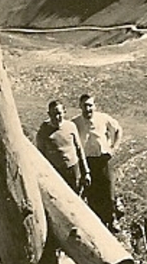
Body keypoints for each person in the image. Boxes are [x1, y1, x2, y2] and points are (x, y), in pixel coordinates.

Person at [73, 93, 123, 232]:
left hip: (103, 159)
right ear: (80, 106)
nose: (87, 109)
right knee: (92, 192)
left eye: (90, 105)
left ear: (94, 106)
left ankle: (112, 219)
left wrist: (114, 148)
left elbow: (118, 130)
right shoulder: (75, 122)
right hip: (87, 161)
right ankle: (97, 224)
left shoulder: (103, 118)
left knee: (108, 189)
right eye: (84, 106)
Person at [35, 100, 90, 194]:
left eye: (59, 113)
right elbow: (40, 155)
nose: (56, 117)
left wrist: (86, 172)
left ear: (64, 112)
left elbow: (79, 149)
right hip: (55, 172)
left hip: (73, 170)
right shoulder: (43, 131)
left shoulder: (71, 126)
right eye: (53, 114)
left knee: (76, 197)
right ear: (48, 114)